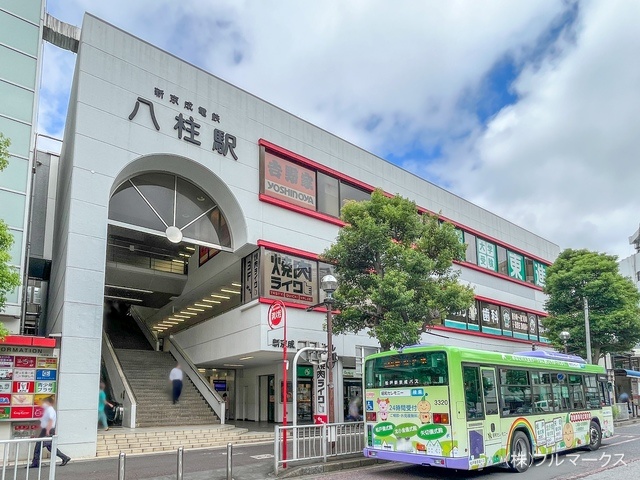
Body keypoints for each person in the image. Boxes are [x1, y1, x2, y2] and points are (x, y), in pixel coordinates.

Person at [28, 397, 70, 468]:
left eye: (45, 402)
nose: (44, 404)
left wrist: (48, 430)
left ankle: (35, 463)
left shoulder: (50, 410)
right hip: (47, 430)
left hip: (47, 430)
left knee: (39, 445)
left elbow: (50, 420)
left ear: (49, 403)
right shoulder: (48, 410)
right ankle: (64, 457)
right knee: (50, 447)